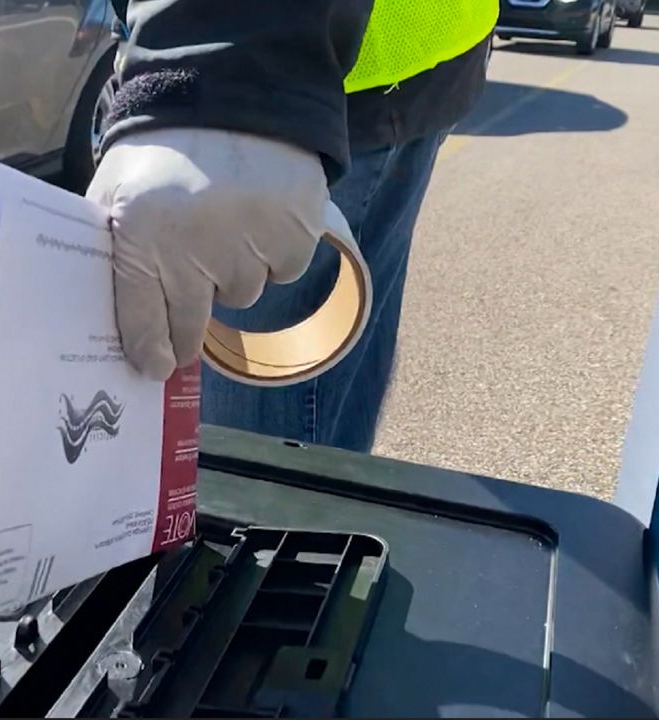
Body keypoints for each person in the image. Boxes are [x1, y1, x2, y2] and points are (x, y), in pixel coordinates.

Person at [86, 0, 498, 453]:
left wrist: (224, 66)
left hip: (287, 99)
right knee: (318, 449)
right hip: (389, 66)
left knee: (253, 475)